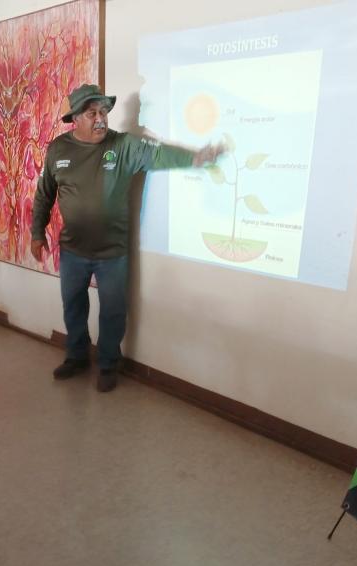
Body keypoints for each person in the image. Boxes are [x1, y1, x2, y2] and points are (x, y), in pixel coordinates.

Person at [31, 84, 222, 392]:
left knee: (113, 311)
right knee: (73, 307)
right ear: (75, 119)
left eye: (104, 112)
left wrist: (196, 158)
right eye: (92, 113)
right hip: (73, 250)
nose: (100, 119)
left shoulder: (123, 146)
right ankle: (77, 356)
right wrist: (37, 232)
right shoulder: (58, 149)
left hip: (112, 253)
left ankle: (108, 364)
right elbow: (44, 194)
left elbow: (159, 153)